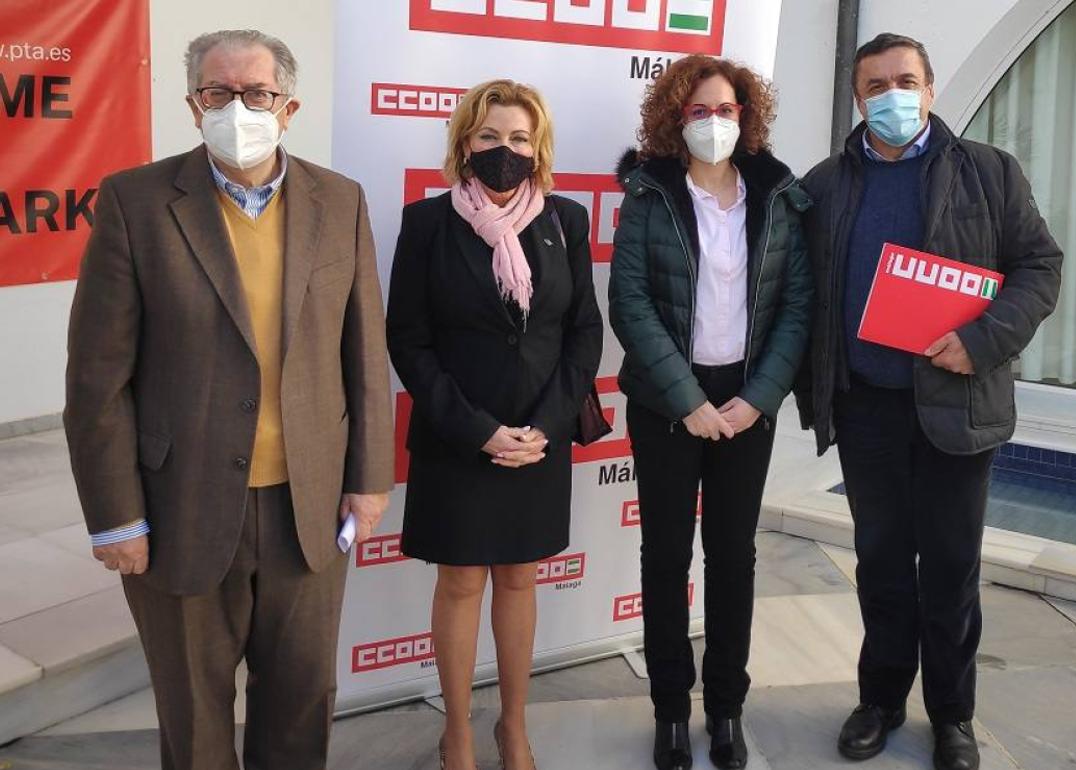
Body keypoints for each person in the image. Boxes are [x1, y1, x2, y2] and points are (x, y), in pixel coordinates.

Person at [63, 29, 394, 770]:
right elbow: (96, 380)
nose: (238, 107)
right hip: (177, 506)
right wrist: (116, 515)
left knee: (302, 703)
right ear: (192, 104)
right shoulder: (136, 203)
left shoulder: (338, 201)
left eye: (258, 94)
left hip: (306, 508)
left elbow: (365, 352)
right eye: (219, 92)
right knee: (194, 712)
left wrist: (369, 480)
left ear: (288, 107)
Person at [796, 33, 1063, 770]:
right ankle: (880, 701)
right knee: (880, 565)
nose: (892, 97)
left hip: (957, 406)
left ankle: (952, 717)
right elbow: (801, 295)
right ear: (857, 98)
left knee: (950, 571)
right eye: (875, 85)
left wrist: (981, 341)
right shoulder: (824, 184)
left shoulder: (989, 173)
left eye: (904, 81)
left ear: (931, 88)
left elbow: (1039, 268)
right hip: (865, 409)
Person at [387, 79, 603, 770]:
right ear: (464, 144)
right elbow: (408, 340)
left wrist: (546, 424)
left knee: (518, 580)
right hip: (458, 438)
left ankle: (513, 728)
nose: (503, 151)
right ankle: (457, 732)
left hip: (540, 439)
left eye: (516, 138)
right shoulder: (426, 225)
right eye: (488, 137)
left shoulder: (566, 221)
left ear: (536, 148)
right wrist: (476, 429)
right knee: (459, 583)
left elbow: (583, 332)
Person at [610, 56, 813, 770]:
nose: (715, 122)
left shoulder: (779, 195)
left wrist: (758, 399)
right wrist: (687, 399)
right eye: (699, 111)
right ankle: (670, 711)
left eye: (726, 109)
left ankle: (725, 708)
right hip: (669, 402)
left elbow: (796, 308)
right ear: (675, 118)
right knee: (665, 558)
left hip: (747, 400)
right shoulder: (647, 195)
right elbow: (630, 305)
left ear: (747, 116)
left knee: (733, 558)